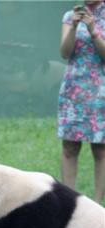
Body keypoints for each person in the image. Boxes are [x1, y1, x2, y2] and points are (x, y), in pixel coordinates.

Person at [58, 1, 105, 203]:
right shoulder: (70, 16)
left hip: (100, 90)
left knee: (101, 150)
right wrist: (75, 27)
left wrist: (93, 29)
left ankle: (97, 204)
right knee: (69, 148)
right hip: (73, 89)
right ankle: (69, 202)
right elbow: (65, 53)